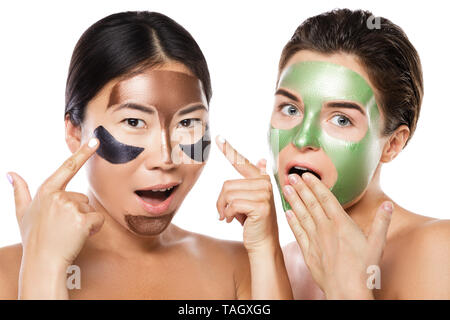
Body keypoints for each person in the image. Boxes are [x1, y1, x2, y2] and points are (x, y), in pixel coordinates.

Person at [0, 11, 292, 299]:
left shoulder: (239, 268)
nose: (165, 158)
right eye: (133, 122)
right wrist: (44, 270)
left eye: (187, 123)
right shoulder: (8, 274)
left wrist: (267, 246)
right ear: (75, 132)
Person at [272, 9, 449, 299]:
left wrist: (349, 291)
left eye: (341, 119)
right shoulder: (283, 262)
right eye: (291, 109)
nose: (302, 139)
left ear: (392, 144)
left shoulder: (437, 250)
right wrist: (265, 249)